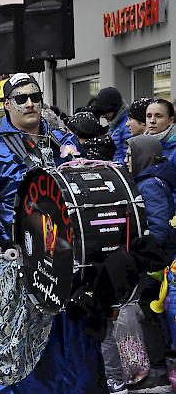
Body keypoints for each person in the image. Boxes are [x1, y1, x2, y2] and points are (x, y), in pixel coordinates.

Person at [0, 73, 105, 393]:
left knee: (69, 352)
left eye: (35, 97)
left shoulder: (64, 142)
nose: (29, 103)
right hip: (16, 264)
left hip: (64, 266)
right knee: (7, 348)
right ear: (7, 105)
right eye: (21, 98)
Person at [122, 135, 176, 393]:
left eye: (130, 155)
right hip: (156, 259)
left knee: (150, 313)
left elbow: (158, 227)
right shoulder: (150, 180)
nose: (126, 160)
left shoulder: (150, 184)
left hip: (156, 262)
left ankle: (158, 369)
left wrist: (140, 253)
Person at [145, 99, 176, 206]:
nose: (152, 121)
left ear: (171, 120)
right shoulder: (141, 145)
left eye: (158, 116)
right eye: (149, 116)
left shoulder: (174, 150)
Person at [93, 87, 131, 164]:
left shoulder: (126, 126)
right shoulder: (115, 125)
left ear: (113, 109)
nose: (102, 116)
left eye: (103, 111)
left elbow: (128, 158)